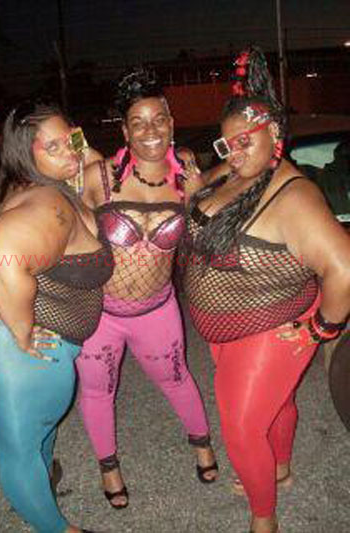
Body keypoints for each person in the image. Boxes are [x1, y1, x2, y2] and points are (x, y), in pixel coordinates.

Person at [182, 47, 350, 533]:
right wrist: (197, 184)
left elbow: (343, 269)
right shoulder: (237, 172)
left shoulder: (295, 196)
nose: (234, 152)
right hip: (225, 326)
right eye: (226, 143)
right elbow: (211, 183)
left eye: (244, 141)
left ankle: (264, 518)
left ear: (274, 133)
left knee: (240, 428)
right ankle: (279, 467)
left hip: (272, 324)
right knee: (274, 402)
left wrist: (320, 329)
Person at [0, 100, 112, 533]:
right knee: (19, 448)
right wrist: (21, 330)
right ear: (27, 154)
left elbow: (93, 166)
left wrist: (79, 150)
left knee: (38, 425)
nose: (68, 152)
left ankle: (41, 484)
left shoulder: (52, 182)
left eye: (70, 139)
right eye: (52, 147)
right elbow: (0, 255)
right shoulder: (48, 202)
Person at [75, 68, 218, 509]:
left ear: (171, 124)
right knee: (98, 390)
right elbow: (60, 222)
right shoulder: (100, 177)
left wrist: (200, 195)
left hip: (157, 310)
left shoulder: (187, 174)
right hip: (101, 313)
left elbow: (208, 232)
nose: (150, 130)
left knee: (177, 378)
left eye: (159, 119)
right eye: (137, 122)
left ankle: (202, 444)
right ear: (124, 131)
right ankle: (109, 467)